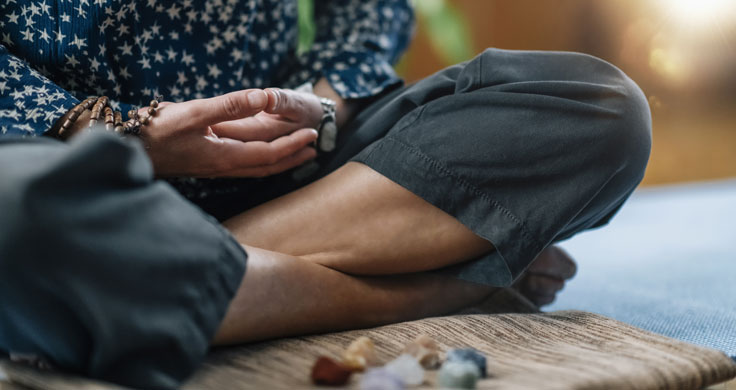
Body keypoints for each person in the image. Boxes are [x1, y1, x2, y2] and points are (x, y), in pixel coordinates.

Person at [0, 0, 651, 389]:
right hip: (51, 157)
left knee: (599, 111)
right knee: (15, 219)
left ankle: (146, 278)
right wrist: (117, 129)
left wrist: (322, 103)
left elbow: (369, 10)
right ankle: (432, 285)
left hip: (293, 162)